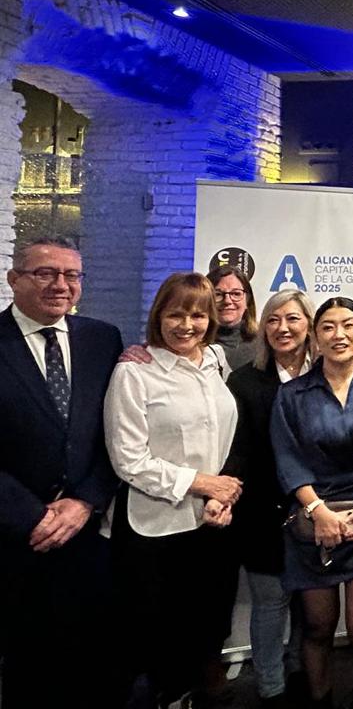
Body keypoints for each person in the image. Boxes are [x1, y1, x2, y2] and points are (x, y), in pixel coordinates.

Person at [104, 271, 243, 708]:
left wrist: (221, 495)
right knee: (155, 641)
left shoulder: (216, 360)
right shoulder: (135, 371)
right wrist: (202, 483)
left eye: (198, 315)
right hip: (154, 528)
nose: (187, 325)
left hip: (210, 522)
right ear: (158, 316)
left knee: (203, 630)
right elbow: (128, 459)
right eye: (176, 314)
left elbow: (223, 439)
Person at [0, 237, 124, 708]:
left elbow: (113, 434)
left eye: (72, 275)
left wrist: (86, 500)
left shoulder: (103, 338)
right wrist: (32, 514)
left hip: (88, 532)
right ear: (14, 280)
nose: (61, 285)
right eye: (45, 273)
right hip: (16, 535)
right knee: (27, 664)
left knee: (90, 659)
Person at [270, 296, 353, 709]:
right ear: (315, 335)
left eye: (348, 325)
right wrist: (320, 512)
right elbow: (287, 457)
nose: (339, 334)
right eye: (327, 326)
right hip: (314, 523)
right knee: (317, 628)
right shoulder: (292, 394)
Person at [225, 290, 318, 707]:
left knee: (312, 607)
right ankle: (271, 687)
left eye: (293, 319)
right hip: (263, 511)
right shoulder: (244, 380)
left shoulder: (330, 374)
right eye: (274, 320)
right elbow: (239, 447)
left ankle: (301, 671)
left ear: (309, 325)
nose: (283, 328)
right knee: (270, 603)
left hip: (319, 509)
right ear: (263, 327)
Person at [209, 264, 259, 370]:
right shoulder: (194, 345)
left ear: (248, 300)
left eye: (236, 294)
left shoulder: (265, 343)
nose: (227, 301)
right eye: (218, 294)